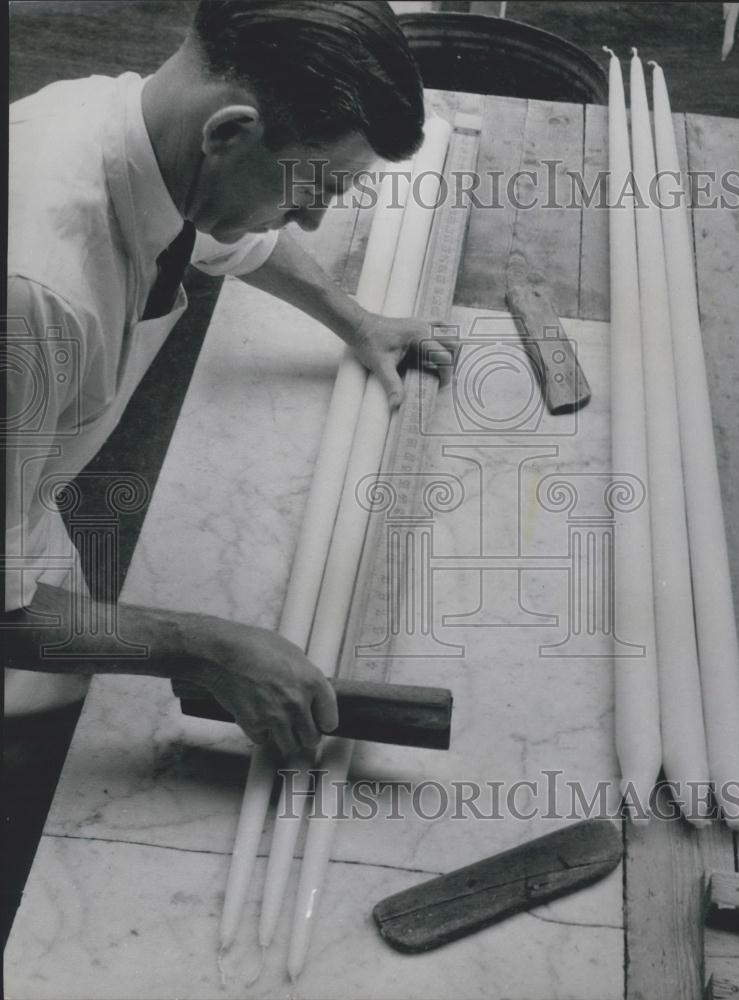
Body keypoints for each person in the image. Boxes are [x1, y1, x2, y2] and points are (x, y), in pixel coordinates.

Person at [5, 0, 452, 756]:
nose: (306, 222)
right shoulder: (35, 293)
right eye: (312, 192)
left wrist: (355, 320)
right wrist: (200, 646)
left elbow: (229, 244)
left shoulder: (140, 133)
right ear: (230, 133)